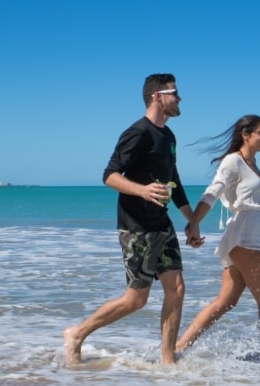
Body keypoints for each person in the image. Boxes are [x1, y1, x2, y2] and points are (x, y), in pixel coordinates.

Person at [63, 74, 200, 366]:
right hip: (136, 226)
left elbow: (174, 180)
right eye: (175, 92)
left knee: (176, 289)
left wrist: (192, 221)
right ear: (157, 96)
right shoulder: (137, 132)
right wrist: (142, 190)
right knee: (136, 300)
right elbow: (109, 175)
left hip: (161, 223)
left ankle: (168, 361)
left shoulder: (169, 137)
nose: (180, 98)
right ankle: (76, 333)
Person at [179, 115, 260, 359]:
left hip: (246, 238)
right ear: (246, 134)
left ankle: (178, 349)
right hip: (245, 239)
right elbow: (213, 192)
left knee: (225, 302)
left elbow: (249, 201)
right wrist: (194, 222)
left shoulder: (252, 164)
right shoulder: (233, 161)